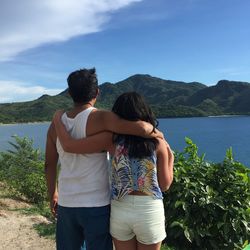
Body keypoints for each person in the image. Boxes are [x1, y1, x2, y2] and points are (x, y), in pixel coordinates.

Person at [45, 68, 163, 250]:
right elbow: (140, 128)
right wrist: (158, 134)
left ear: (70, 93)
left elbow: (49, 164)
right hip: (97, 203)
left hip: (67, 202)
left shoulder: (55, 127)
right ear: (97, 92)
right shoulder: (101, 118)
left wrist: (53, 192)